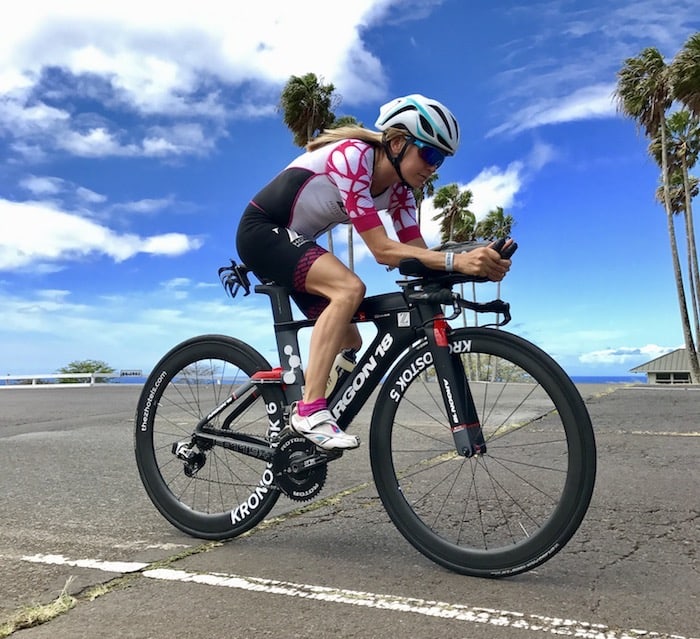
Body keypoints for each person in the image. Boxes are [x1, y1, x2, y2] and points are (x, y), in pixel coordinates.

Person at [236, 94, 512, 451]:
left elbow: (418, 256)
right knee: (349, 289)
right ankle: (310, 410)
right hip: (260, 232)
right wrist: (456, 262)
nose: (433, 167)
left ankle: (302, 427)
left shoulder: (401, 193)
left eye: (441, 160)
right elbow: (383, 250)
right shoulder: (354, 158)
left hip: (293, 243)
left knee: (350, 340)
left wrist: (474, 264)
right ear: (397, 143)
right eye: (430, 154)